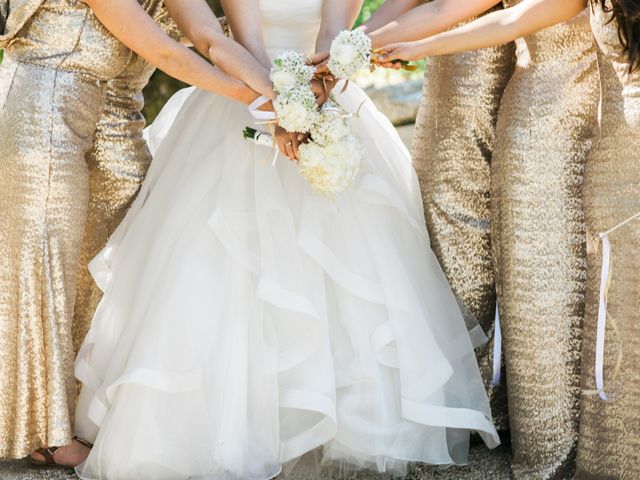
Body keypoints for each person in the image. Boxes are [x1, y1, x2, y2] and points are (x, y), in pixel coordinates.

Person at [72, 0, 501, 478]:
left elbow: (334, 39)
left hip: (319, 97)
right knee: (221, 261)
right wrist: (281, 104)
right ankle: (225, 424)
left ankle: (335, 418)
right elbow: (231, 41)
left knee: (350, 258)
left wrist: (318, 93)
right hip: (244, 92)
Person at [0, 0, 272, 466]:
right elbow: (165, 53)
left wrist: (278, 91)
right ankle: (42, 430)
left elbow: (209, 37)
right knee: (43, 259)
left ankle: (86, 411)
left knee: (126, 252)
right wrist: (259, 102)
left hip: (118, 110)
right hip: (47, 96)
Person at [375, 1, 599, 478]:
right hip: (524, 107)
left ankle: (555, 441)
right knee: (524, 275)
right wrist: (360, 46)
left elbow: (505, 20)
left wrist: (396, 45)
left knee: (554, 275)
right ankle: (505, 417)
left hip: (573, 113)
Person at [360, 0, 516, 432]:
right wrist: (358, 39)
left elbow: (448, 7)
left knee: (465, 208)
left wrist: (362, 44)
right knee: (432, 206)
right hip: (441, 63)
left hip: (478, 58)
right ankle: (450, 384)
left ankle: (483, 389)